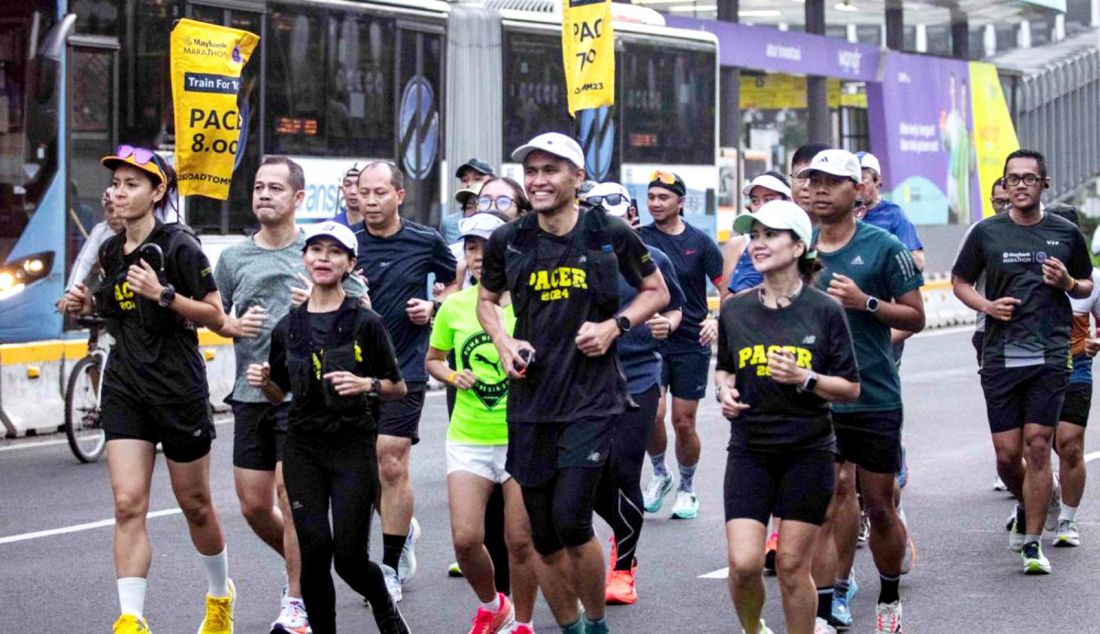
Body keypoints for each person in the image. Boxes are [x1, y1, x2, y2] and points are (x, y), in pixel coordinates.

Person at [477, 132, 669, 634]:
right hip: (530, 399)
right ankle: (571, 627)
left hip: (592, 397)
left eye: (550, 170)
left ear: (577, 178)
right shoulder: (510, 239)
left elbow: (656, 290)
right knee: (541, 534)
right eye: (531, 171)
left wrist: (614, 327)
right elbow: (485, 300)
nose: (538, 180)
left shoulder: (608, 233)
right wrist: (502, 341)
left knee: (571, 518)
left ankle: (597, 624)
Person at [62, 145, 233, 634]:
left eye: (131, 184)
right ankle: (131, 618)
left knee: (195, 504)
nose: (118, 193)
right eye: (114, 184)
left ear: (158, 192)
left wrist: (164, 293)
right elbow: (114, 308)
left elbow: (216, 314)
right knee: (127, 503)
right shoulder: (112, 250)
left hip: (177, 389)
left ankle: (220, 597)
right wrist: (82, 302)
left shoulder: (180, 246)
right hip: (126, 387)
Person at [213, 156, 365, 633]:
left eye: (275, 188)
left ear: (298, 198)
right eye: (258, 187)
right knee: (255, 505)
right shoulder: (234, 258)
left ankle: (296, 601)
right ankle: (312, 565)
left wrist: (319, 304)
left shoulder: (317, 250)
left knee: (289, 492)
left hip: (304, 401)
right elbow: (211, 313)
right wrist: (229, 325)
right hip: (252, 391)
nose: (264, 195)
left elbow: (362, 306)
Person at [247, 221, 409, 634]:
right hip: (303, 448)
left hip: (351, 447)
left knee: (350, 561)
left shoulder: (365, 322)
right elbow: (277, 392)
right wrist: (264, 380)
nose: (323, 258)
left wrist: (365, 384)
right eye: (316, 250)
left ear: (350, 264)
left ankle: (382, 602)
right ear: (304, 258)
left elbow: (397, 386)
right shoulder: (289, 326)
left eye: (334, 252)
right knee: (315, 551)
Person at [718, 200, 860, 634]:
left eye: (770, 235)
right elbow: (724, 365)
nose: (758, 244)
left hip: (807, 451)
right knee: (743, 565)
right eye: (754, 235)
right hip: (750, 450)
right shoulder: (735, 309)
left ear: (798, 246)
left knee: (793, 566)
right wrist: (724, 389)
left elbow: (850, 387)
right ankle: (754, 629)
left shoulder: (824, 310)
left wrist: (805, 378)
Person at [952, 149, 1093, 575]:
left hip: (1050, 353)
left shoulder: (1065, 232)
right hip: (1000, 353)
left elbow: (1085, 282)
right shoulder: (986, 233)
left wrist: (1068, 281)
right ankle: (1029, 501)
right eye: (1012, 179)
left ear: (1043, 184)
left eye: (1028, 178)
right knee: (1006, 455)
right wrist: (988, 306)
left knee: (1038, 445)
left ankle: (1032, 543)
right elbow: (959, 281)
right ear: (1005, 184)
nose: (1019, 185)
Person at [803, 149, 925, 633]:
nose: (820, 190)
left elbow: (915, 316)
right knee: (833, 496)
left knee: (878, 502)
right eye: (814, 181)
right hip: (815, 398)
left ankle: (889, 594)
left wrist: (867, 302)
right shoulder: (799, 245)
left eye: (832, 182)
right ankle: (829, 600)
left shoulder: (882, 246)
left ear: (857, 191)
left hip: (873, 395)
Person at [427, 211, 540, 634]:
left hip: (519, 437)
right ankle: (495, 605)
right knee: (465, 539)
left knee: (519, 540)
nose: (478, 256)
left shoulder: (531, 304)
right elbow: (433, 361)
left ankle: (523, 624)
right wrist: (455, 376)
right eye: (472, 247)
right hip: (469, 436)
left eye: (487, 247)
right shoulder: (453, 306)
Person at [354, 160, 459, 600]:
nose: (371, 201)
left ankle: (390, 567)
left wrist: (434, 309)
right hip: (353, 372)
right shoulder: (346, 244)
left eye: (380, 193)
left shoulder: (424, 240)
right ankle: (405, 528)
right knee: (365, 472)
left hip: (407, 365)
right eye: (364, 193)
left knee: (391, 460)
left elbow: (455, 279)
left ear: (399, 195)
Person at [586, 182, 685, 606]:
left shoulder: (654, 259)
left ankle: (624, 565)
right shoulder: (571, 259)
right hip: (583, 380)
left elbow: (676, 306)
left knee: (624, 470)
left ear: (631, 217)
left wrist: (668, 324)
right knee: (584, 476)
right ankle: (616, 533)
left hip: (638, 375)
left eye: (617, 217)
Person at [638, 171, 724, 520]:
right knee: (651, 416)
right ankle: (660, 473)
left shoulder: (701, 243)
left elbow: (726, 288)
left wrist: (715, 321)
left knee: (683, 422)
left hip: (691, 342)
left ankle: (687, 488)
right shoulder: (638, 240)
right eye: (652, 197)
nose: (656, 203)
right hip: (651, 342)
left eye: (664, 197)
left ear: (681, 202)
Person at [1054, 261, 1100, 547]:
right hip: (1034, 366)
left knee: (1070, 445)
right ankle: (1040, 498)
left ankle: (1067, 519)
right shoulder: (1031, 267)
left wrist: (1096, 342)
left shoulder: (1093, 279)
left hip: (1077, 366)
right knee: (1034, 446)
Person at [721, 171, 793, 300]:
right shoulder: (738, 243)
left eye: (768, 200)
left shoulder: (797, 241)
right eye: (755, 201)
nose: (761, 207)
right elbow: (725, 301)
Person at [855, 153, 925, 271]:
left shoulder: (894, 215)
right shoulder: (844, 216)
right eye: (854, 180)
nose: (858, 185)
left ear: (877, 180)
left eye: (862, 179)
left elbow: (918, 261)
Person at [59, 188, 124, 303]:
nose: (114, 216)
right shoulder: (100, 231)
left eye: (120, 210)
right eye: (110, 211)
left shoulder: (138, 230)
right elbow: (83, 262)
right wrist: (71, 292)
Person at [442, 158, 496, 243]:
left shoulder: (501, 221)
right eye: (464, 180)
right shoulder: (449, 224)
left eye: (477, 179)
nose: (470, 184)